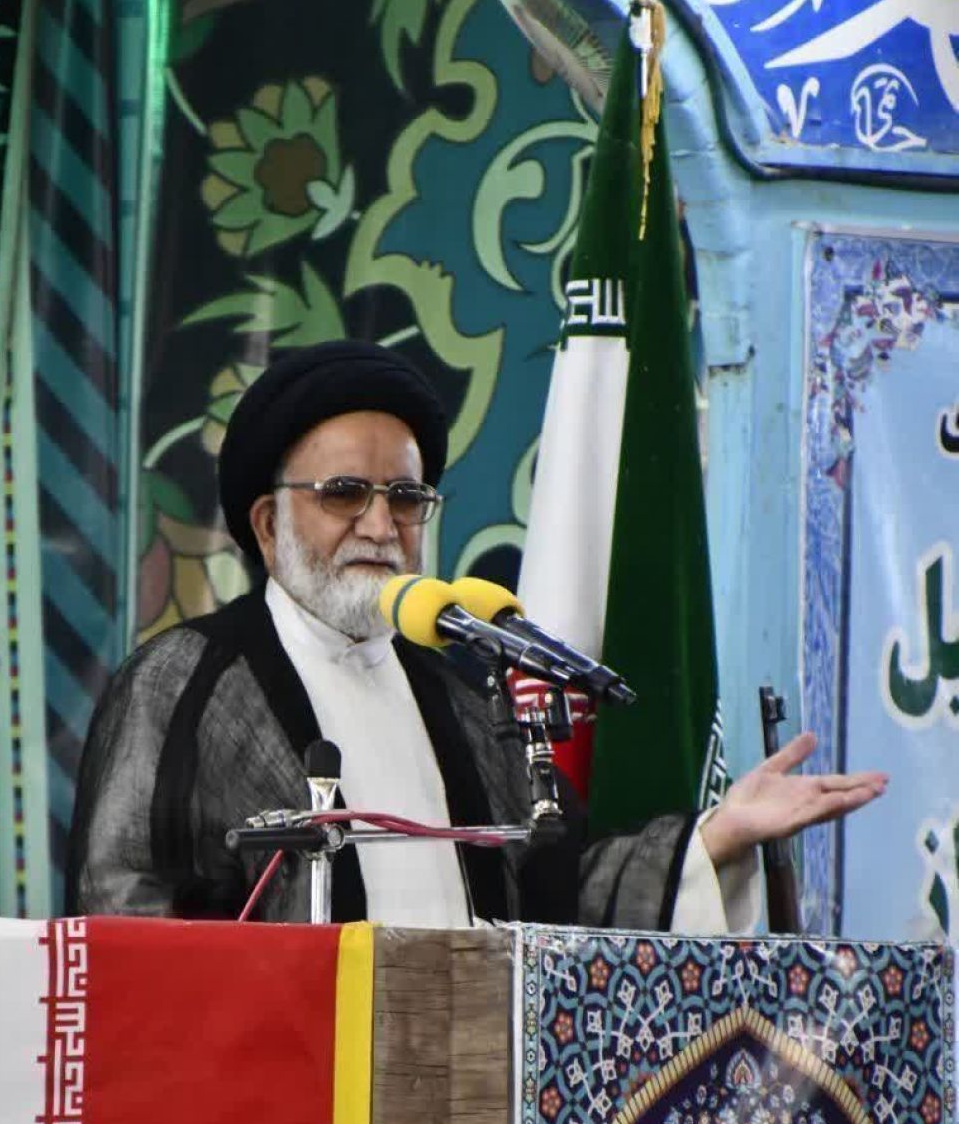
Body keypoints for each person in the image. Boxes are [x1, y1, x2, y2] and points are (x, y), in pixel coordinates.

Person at [66, 340, 886, 927]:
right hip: (279, 1093)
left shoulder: (458, 692)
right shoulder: (183, 684)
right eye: (345, 493)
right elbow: (122, 908)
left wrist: (718, 836)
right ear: (269, 525)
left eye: (406, 498)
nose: (380, 525)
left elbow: (555, 894)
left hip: (466, 1089)